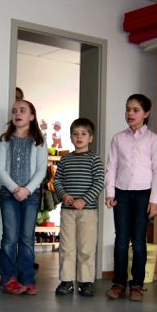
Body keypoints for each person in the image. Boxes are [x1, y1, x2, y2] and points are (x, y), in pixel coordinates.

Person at [105, 94, 157, 302]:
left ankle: (137, 285)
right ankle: (119, 283)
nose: (130, 113)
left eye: (136, 110)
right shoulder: (118, 139)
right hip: (121, 193)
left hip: (143, 195)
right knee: (121, 239)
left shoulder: (153, 140)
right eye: (128, 109)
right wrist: (110, 193)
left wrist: (155, 199)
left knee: (139, 241)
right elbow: (111, 167)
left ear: (146, 114)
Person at [0, 99, 47, 294]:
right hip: (8, 195)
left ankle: (27, 279)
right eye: (14, 111)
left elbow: (41, 170)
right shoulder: (4, 140)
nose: (17, 114)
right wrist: (15, 188)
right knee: (10, 237)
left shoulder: (39, 141)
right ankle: (8, 279)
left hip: (31, 196)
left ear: (32, 116)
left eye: (22, 110)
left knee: (27, 238)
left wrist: (27, 190)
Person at [53, 118, 104, 297]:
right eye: (75, 134)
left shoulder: (94, 159)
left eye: (83, 134)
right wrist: (64, 195)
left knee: (86, 248)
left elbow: (99, 182)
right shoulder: (65, 160)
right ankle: (66, 281)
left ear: (91, 138)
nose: (79, 137)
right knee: (66, 247)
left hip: (88, 212)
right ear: (71, 137)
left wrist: (84, 200)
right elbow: (57, 180)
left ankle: (85, 282)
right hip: (68, 212)